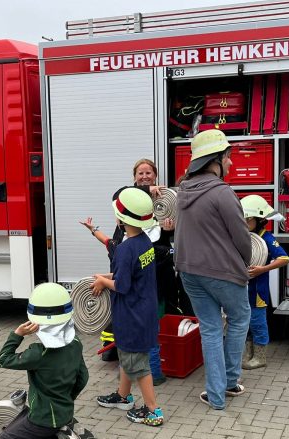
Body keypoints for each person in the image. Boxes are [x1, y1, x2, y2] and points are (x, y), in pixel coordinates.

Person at [80, 158, 177, 385]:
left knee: (138, 336)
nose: (145, 176)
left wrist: (105, 281)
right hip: (139, 292)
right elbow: (109, 242)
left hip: (142, 292)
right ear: (134, 177)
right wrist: (93, 230)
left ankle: (145, 377)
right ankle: (132, 378)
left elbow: (125, 280)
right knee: (140, 335)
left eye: (149, 173)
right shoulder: (138, 238)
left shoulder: (138, 243)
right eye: (140, 173)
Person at [174, 129, 251, 410]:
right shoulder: (222, 193)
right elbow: (242, 237)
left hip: (189, 272)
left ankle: (216, 396)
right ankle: (230, 382)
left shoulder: (183, 190)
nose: (231, 164)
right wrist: (246, 262)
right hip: (223, 272)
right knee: (240, 318)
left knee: (209, 328)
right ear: (215, 160)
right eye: (228, 158)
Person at [92, 187, 164, 427]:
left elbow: (121, 285)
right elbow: (131, 275)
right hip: (144, 312)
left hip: (131, 315)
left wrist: (103, 281)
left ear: (121, 219)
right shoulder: (144, 242)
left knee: (139, 365)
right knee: (128, 356)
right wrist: (105, 276)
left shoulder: (124, 249)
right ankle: (123, 397)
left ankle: (153, 410)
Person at [0, 283, 89, 438]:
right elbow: (83, 378)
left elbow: (3, 359)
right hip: (65, 413)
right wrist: (66, 399)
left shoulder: (38, 353)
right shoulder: (76, 342)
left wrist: (17, 334)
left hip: (42, 420)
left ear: (34, 319)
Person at [239, 195, 289, 370]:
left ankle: (260, 357)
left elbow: (284, 258)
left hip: (258, 290)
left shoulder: (266, 238)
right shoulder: (242, 236)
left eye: (247, 219)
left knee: (257, 322)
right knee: (244, 323)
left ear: (260, 219)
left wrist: (263, 269)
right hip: (241, 288)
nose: (244, 222)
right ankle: (248, 354)